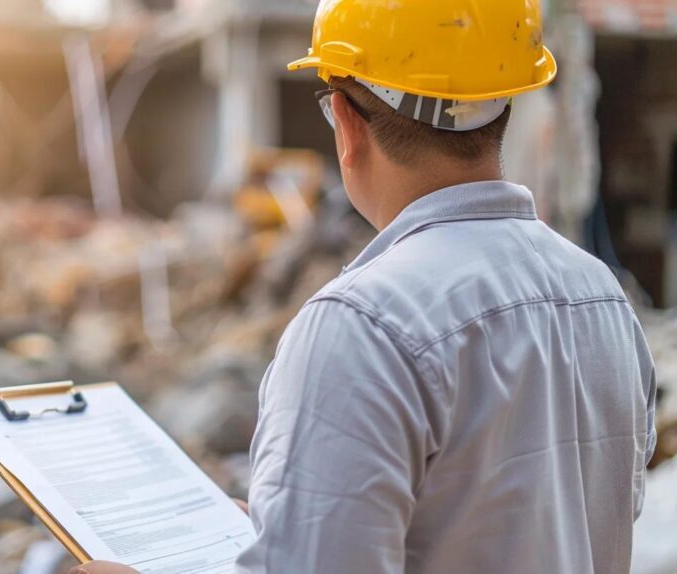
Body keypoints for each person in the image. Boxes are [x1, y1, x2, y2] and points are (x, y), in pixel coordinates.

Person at [71, 0, 657, 572]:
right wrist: (289, 527)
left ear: (347, 124)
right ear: (502, 104)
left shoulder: (362, 325)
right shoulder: (601, 297)